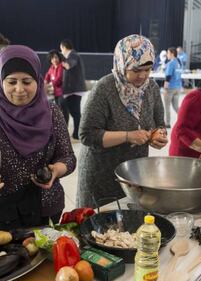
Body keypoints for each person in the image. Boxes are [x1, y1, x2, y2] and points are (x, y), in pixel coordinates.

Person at [76, 35, 168, 208]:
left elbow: (159, 123)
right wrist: (128, 136)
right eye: (136, 70)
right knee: (100, 225)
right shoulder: (105, 88)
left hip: (134, 173)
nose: (142, 76)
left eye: (148, 69)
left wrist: (158, 136)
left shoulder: (152, 89)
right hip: (101, 173)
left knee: (128, 223)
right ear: (122, 63)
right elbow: (87, 135)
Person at [0, 45, 76, 229]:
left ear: (38, 80)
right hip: (4, 214)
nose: (19, 89)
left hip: (46, 208)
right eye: (11, 82)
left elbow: (68, 157)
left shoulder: (51, 112)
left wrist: (56, 170)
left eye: (27, 81)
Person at [60, 39, 86, 140]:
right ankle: (76, 133)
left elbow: (68, 65)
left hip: (74, 90)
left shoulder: (73, 54)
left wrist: (60, 62)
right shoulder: (71, 55)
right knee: (73, 111)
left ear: (63, 47)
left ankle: (77, 133)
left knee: (75, 112)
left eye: (61, 49)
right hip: (72, 90)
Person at [163, 47, 183, 128]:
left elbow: (168, 77)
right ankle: (184, 119)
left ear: (172, 53)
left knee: (167, 106)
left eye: (167, 53)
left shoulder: (171, 63)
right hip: (178, 87)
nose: (167, 55)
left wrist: (165, 89)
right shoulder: (179, 62)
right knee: (176, 106)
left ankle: (167, 123)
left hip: (170, 87)